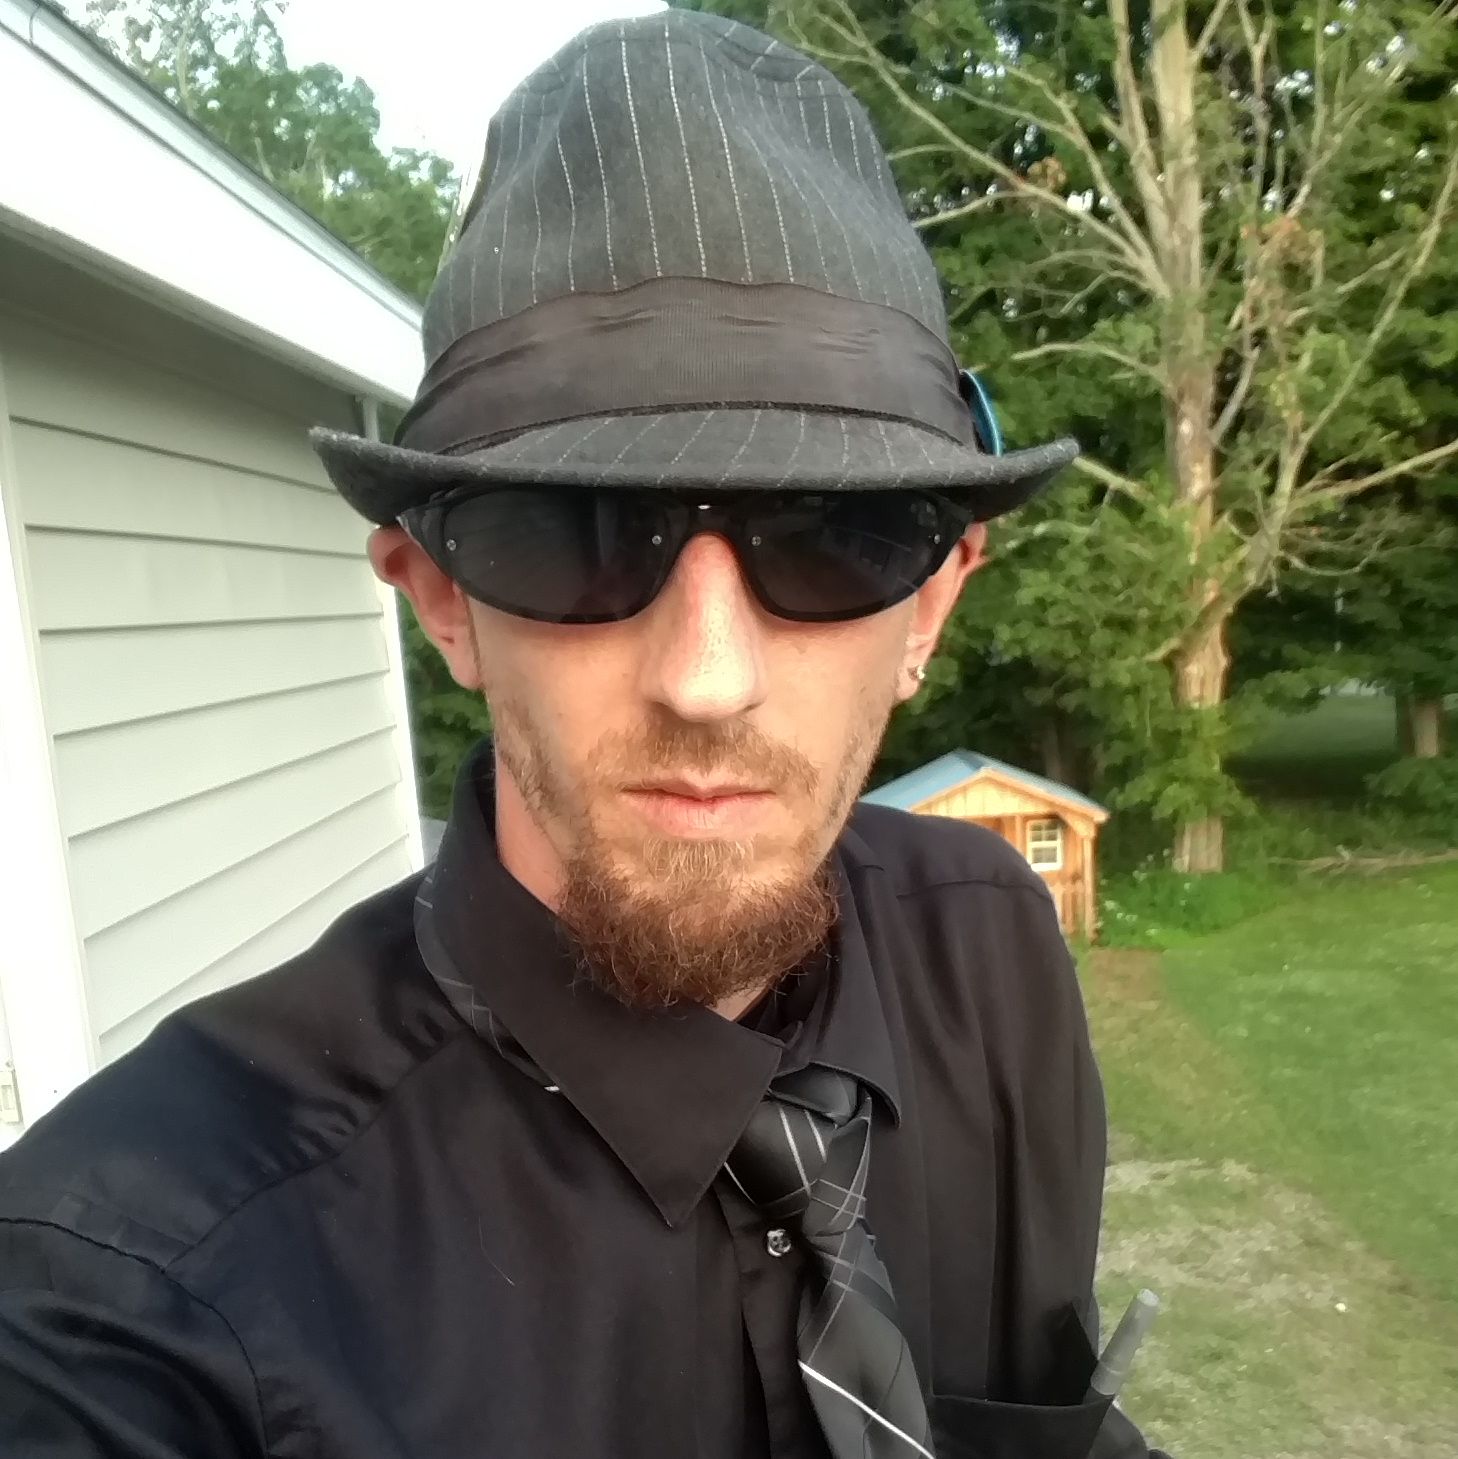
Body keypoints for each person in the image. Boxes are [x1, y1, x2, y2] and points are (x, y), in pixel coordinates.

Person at [0, 11, 1172, 1458]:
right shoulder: (134, 1298)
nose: (706, 679)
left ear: (932, 602)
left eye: (836, 538)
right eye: (575, 535)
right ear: (442, 600)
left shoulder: (986, 949)